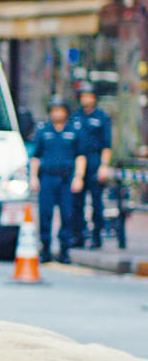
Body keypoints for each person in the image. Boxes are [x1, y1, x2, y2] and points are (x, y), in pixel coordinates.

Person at [29, 96, 86, 264]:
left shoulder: (74, 131)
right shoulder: (43, 131)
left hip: (66, 178)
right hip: (47, 177)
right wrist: (33, 177)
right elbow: (36, 157)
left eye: (60, 110)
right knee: (45, 213)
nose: (57, 113)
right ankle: (45, 249)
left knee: (67, 214)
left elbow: (80, 156)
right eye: (54, 110)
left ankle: (64, 250)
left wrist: (79, 177)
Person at [70, 81, 113, 249]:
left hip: (95, 161)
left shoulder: (102, 117)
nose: (85, 99)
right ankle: (78, 235)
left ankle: (96, 236)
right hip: (79, 161)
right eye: (83, 96)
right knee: (77, 202)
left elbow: (107, 145)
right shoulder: (75, 117)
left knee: (96, 202)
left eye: (89, 96)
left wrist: (104, 166)